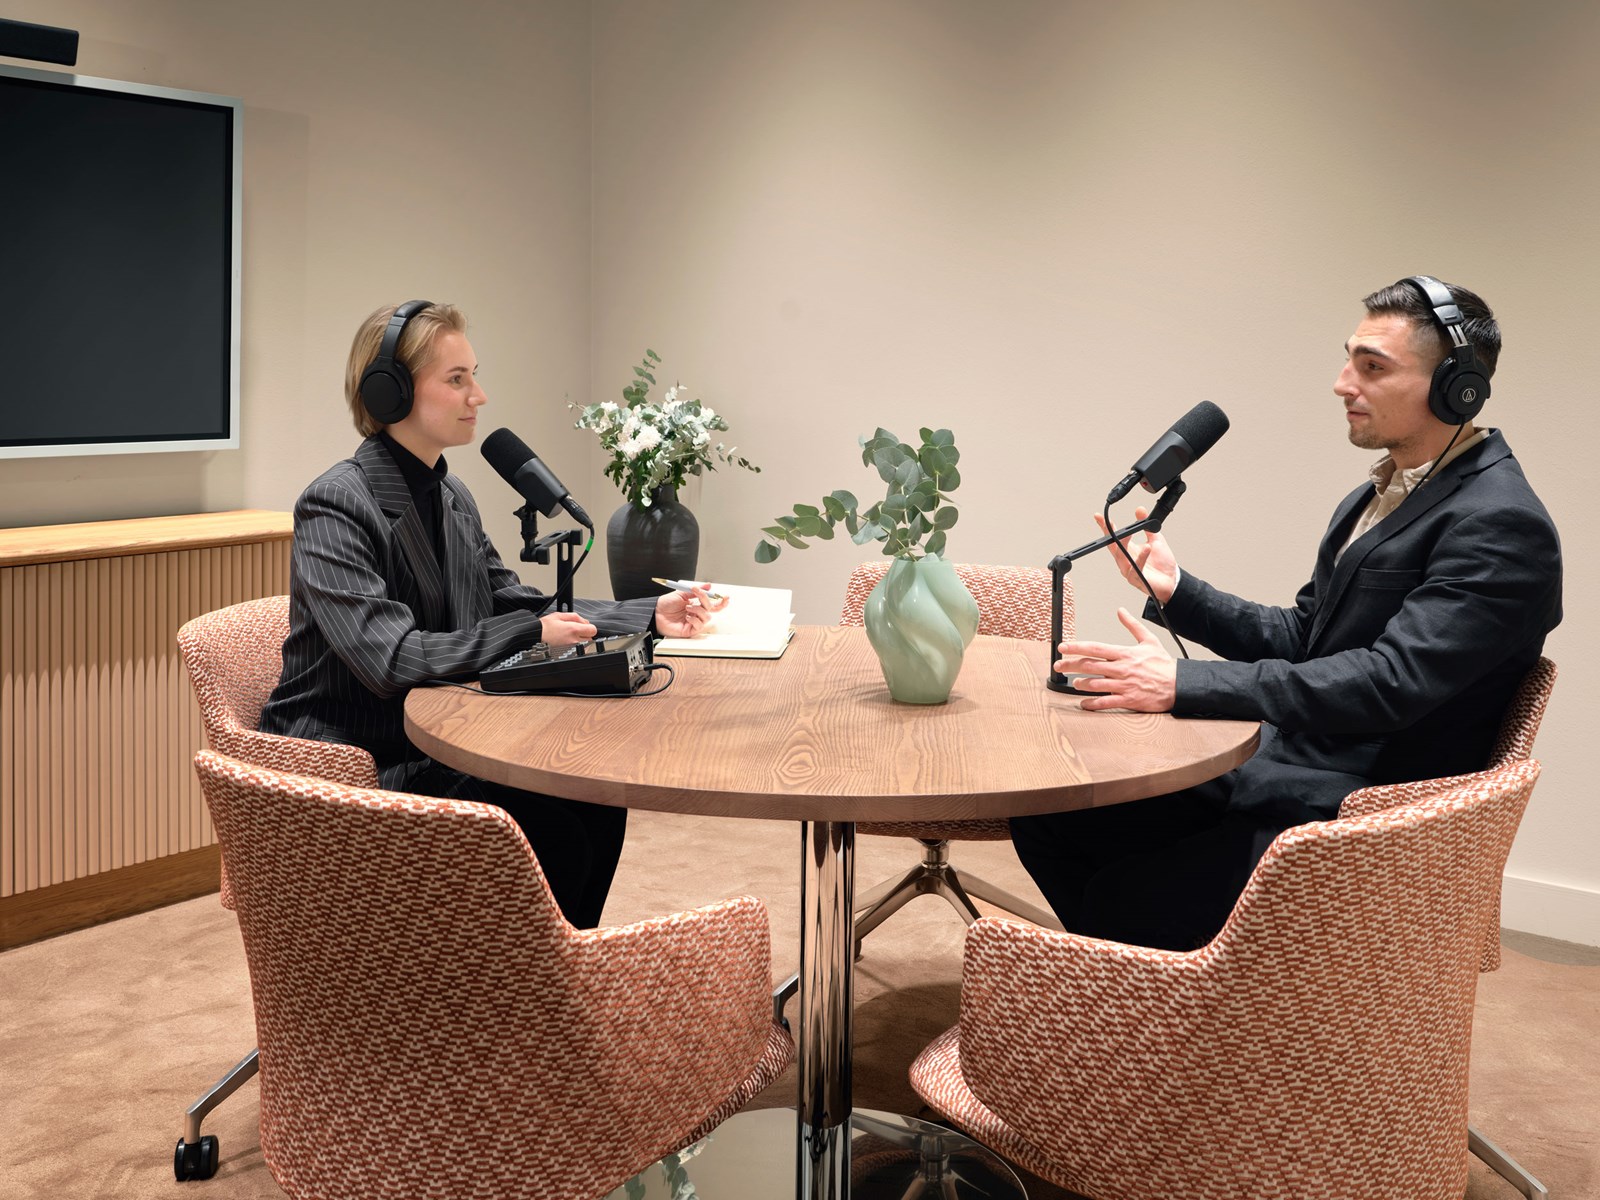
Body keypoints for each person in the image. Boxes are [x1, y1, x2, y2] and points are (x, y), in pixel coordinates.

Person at [1011, 276, 1562, 951]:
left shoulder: (1500, 524)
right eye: (1348, 360)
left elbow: (1388, 683)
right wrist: (1178, 591)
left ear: (1458, 387)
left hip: (1358, 816)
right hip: (1291, 767)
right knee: (1053, 814)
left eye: (1372, 367)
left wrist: (1182, 684)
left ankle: (1182, 984)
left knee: (1124, 897)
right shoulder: (1380, 496)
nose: (1342, 383)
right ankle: (1171, 982)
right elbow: (1307, 637)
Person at [259, 300, 722, 928]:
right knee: (554, 829)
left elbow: (513, 598)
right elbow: (390, 659)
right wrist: (531, 631)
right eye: (456, 379)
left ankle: (553, 971)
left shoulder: (452, 494)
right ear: (390, 393)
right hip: (358, 757)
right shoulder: (335, 505)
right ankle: (523, 977)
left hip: (437, 738)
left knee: (595, 801)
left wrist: (645, 614)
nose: (478, 396)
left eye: (473, 375)